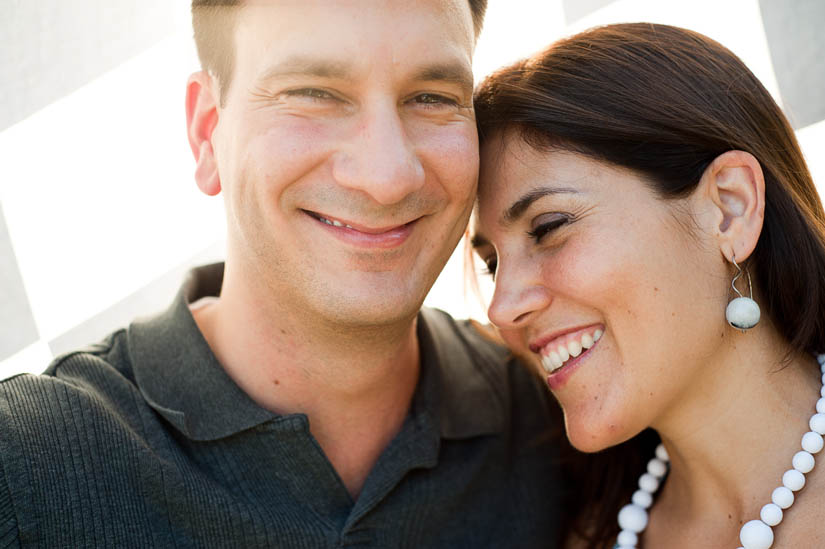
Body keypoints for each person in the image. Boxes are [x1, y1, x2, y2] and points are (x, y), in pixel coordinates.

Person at [0, 1, 565, 547]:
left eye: (432, 97)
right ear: (206, 132)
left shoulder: (554, 415)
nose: (386, 175)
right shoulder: (24, 468)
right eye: (314, 94)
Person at [470, 22, 825, 549]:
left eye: (549, 228)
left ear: (729, 209)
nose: (502, 309)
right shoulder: (586, 530)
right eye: (493, 264)